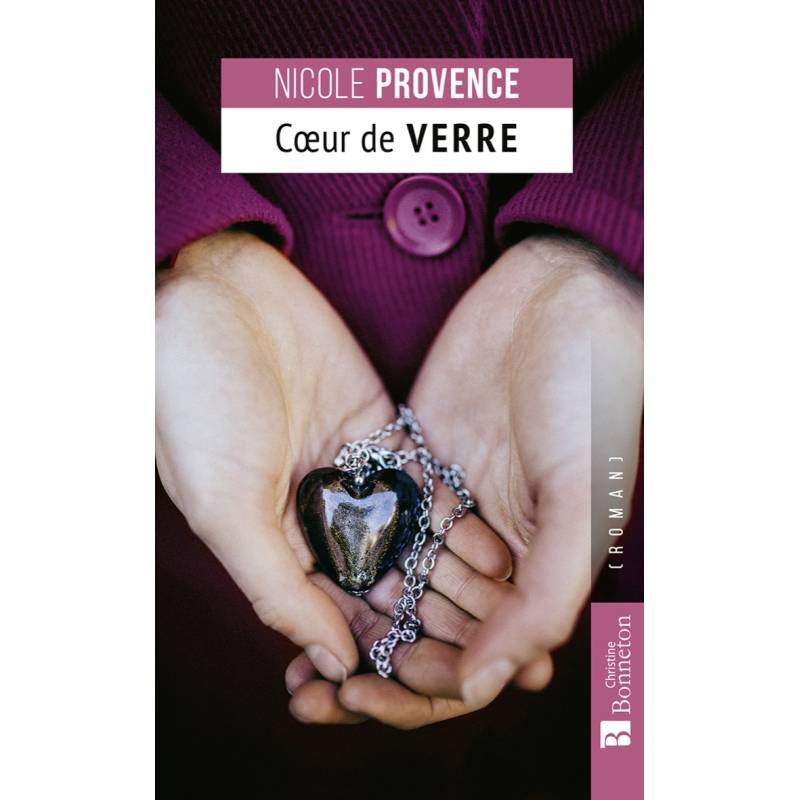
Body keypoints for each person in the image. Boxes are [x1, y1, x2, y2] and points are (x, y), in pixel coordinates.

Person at [156, 0, 643, 731]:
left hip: (633, 530)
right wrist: (173, 241)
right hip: (189, 580)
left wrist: (619, 224)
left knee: (626, 750)